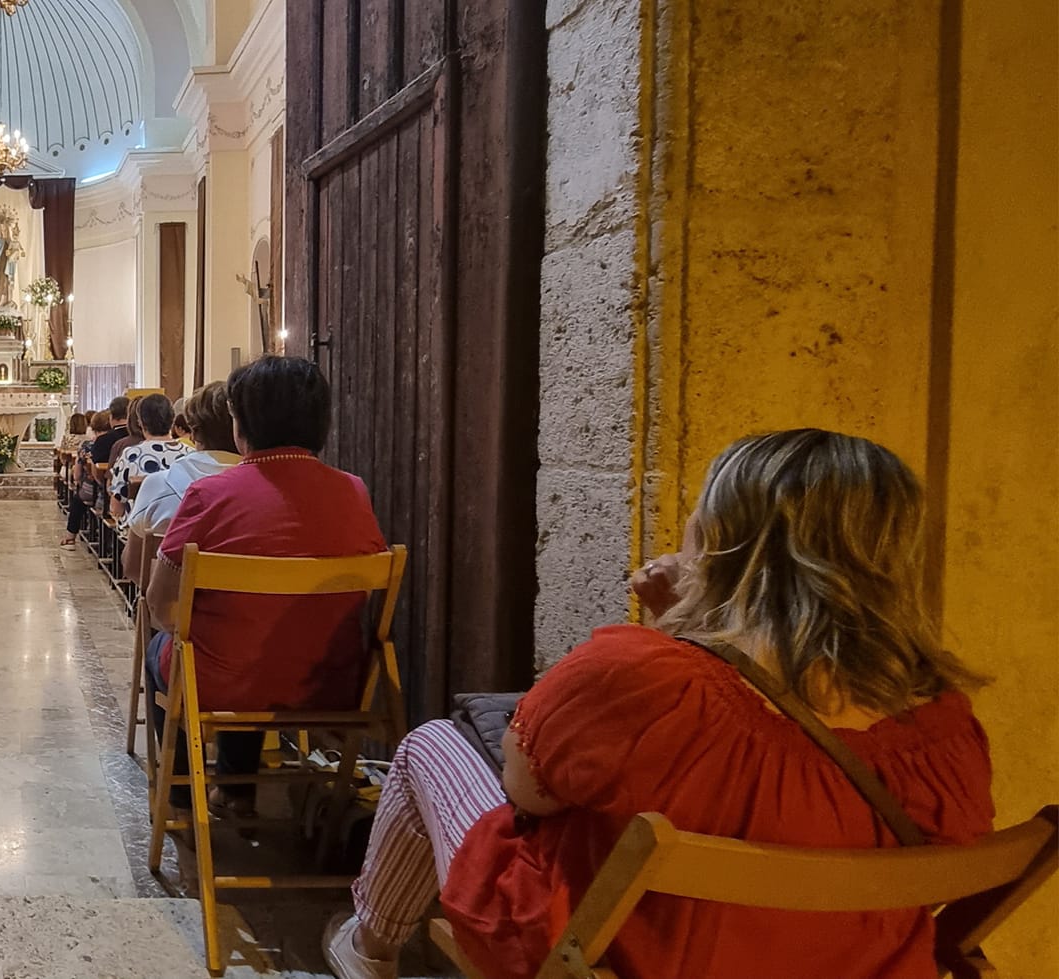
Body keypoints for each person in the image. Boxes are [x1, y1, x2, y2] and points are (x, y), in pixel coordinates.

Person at [324, 429, 995, 979]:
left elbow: (525, 791)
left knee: (429, 746)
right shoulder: (943, 727)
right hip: (856, 962)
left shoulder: (651, 678)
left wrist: (677, 628)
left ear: (727, 539)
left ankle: (368, 947)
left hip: (615, 952)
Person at [144, 357, 387, 815]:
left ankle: (182, 792)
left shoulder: (210, 495)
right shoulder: (353, 491)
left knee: (172, 647)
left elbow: (162, 607)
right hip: (330, 687)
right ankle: (234, 790)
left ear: (243, 423)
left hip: (220, 687)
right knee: (254, 643)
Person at [122, 382, 237, 583]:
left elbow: (133, 567)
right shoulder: (266, 489)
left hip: (173, 608)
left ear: (193, 431)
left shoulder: (160, 485)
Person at [60, 396, 132, 545]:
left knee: (80, 497)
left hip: (107, 494)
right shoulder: (138, 438)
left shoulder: (104, 440)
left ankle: (70, 536)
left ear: (112, 416)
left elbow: (96, 473)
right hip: (138, 499)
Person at [109, 393, 190, 499]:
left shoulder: (130, 456)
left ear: (140, 422)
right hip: (182, 515)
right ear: (173, 419)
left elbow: (117, 507)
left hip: (142, 515)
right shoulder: (190, 454)